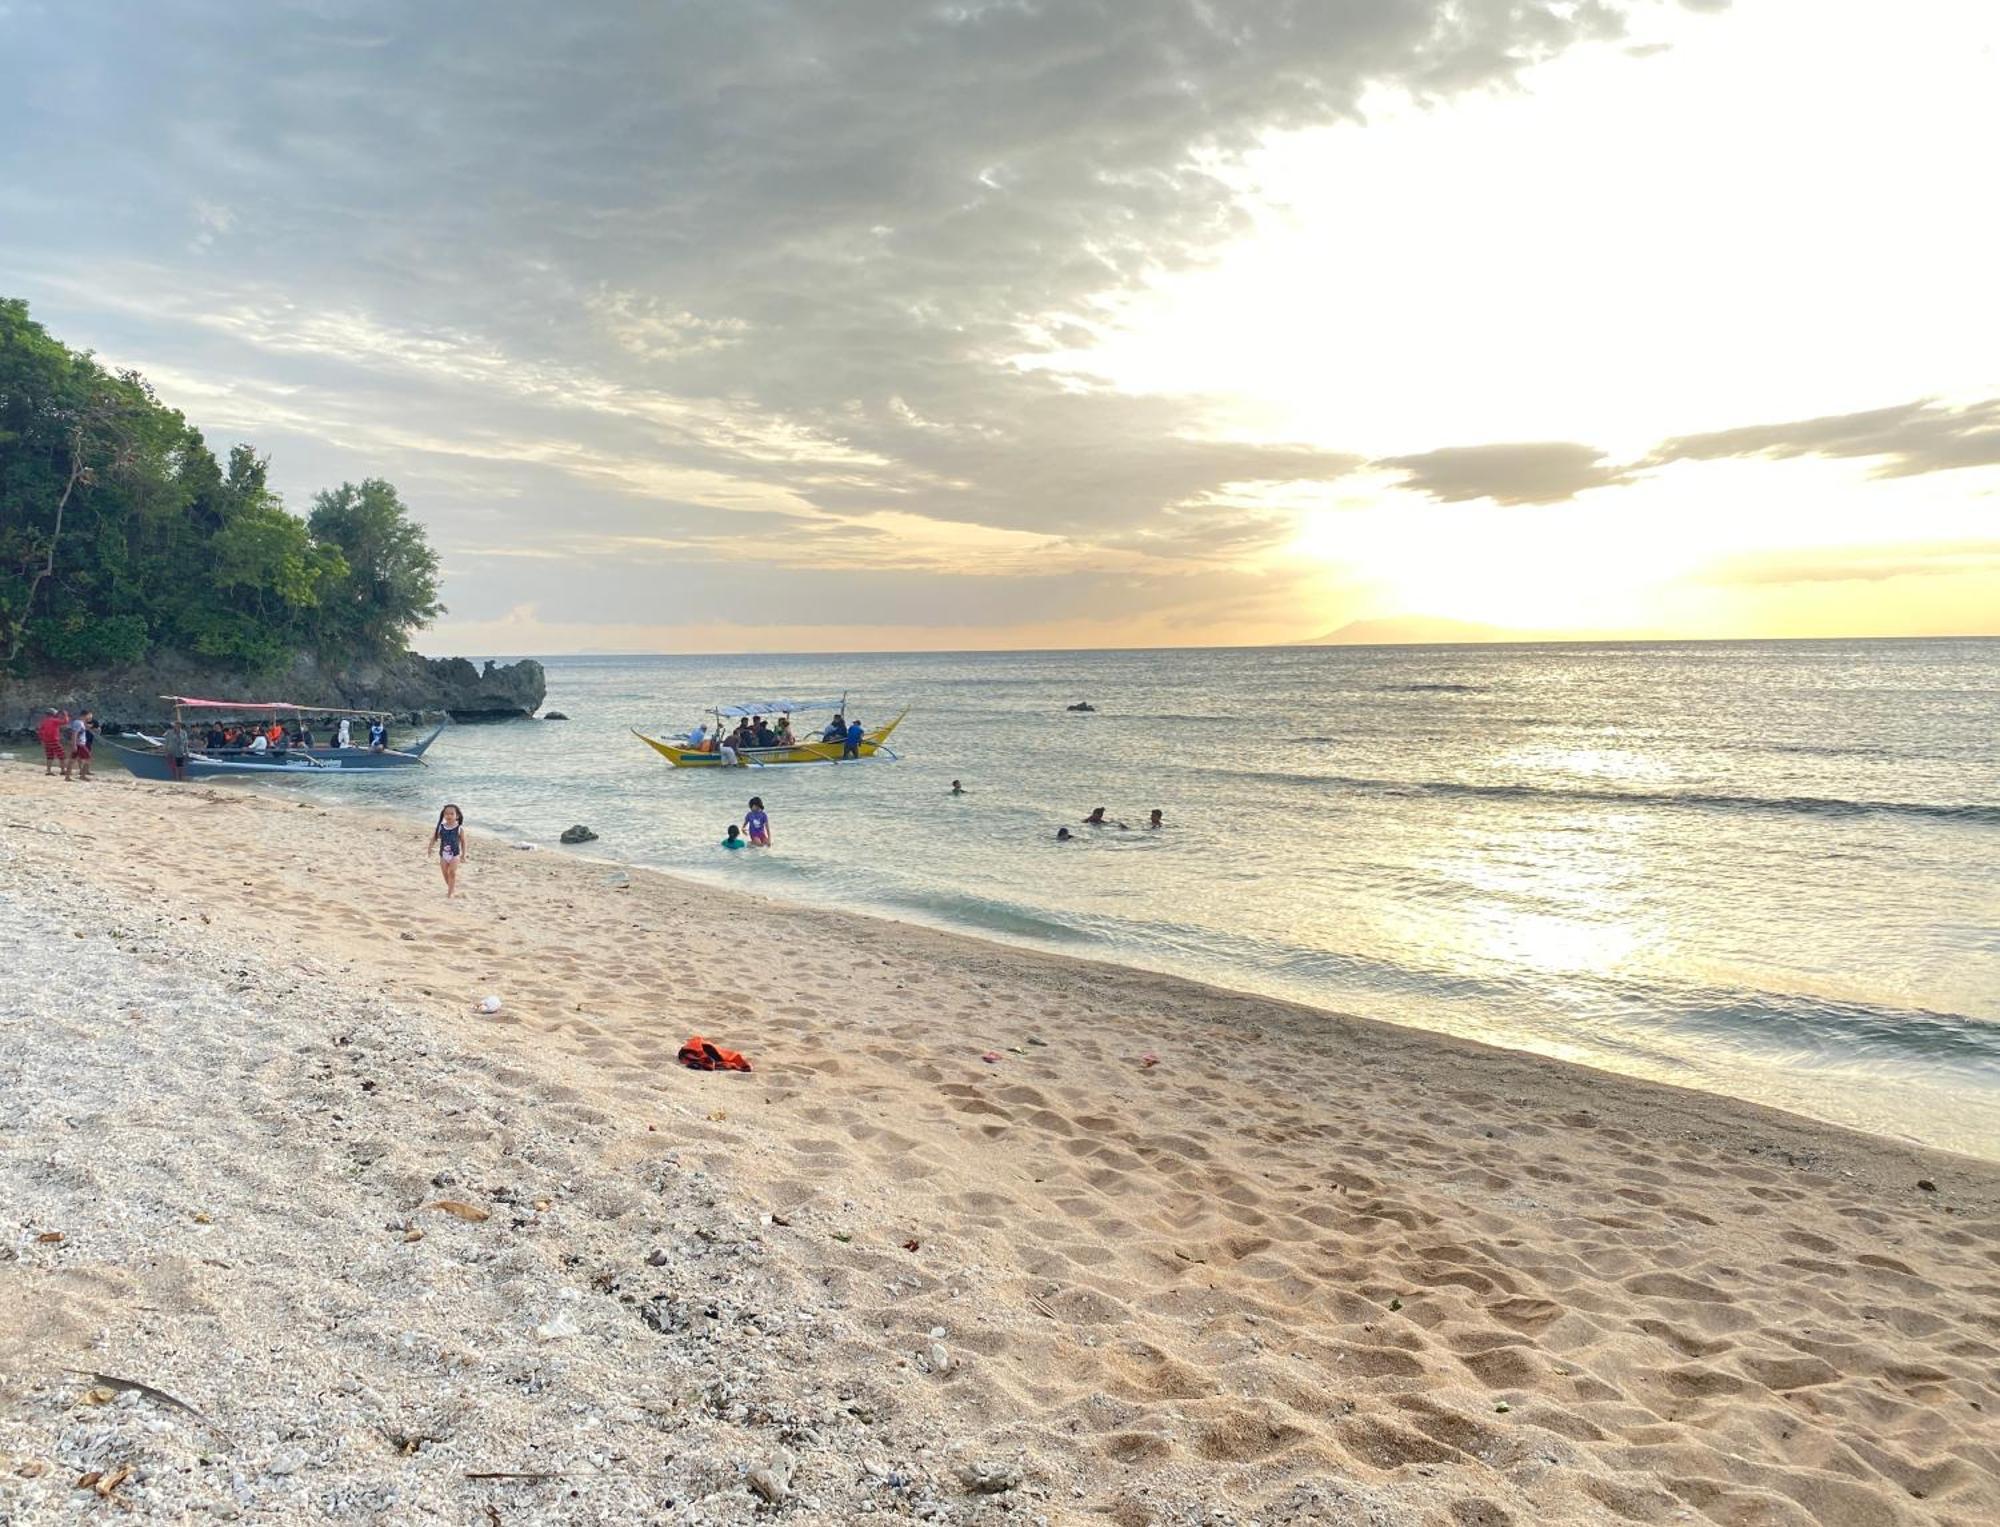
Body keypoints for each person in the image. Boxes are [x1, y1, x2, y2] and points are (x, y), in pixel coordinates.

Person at [429, 803, 468, 897]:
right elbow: (434, 838)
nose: (449, 816)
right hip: (443, 855)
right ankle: (451, 888)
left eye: (451, 814)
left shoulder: (459, 828)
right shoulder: (441, 827)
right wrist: (429, 848)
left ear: (457, 816)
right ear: (443, 815)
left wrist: (463, 854)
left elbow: (463, 842)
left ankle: (450, 893)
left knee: (452, 873)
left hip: (455, 855)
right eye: (446, 814)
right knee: (445, 873)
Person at [38, 708, 65, 776]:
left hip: (46, 741)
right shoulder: (54, 720)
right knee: (62, 755)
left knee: (49, 756)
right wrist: (65, 715)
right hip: (54, 740)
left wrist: (42, 741)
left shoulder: (44, 721)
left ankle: (49, 771)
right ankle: (62, 771)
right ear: (53, 714)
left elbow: (40, 732)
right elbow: (65, 721)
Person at [69, 711, 95, 780]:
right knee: (88, 759)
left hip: (78, 744)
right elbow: (75, 733)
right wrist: (74, 745)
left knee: (72, 760)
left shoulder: (80, 722)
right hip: (80, 744)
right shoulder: (78, 723)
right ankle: (82, 776)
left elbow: (82, 730)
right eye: (89, 716)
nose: (90, 718)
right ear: (85, 715)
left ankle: (67, 777)